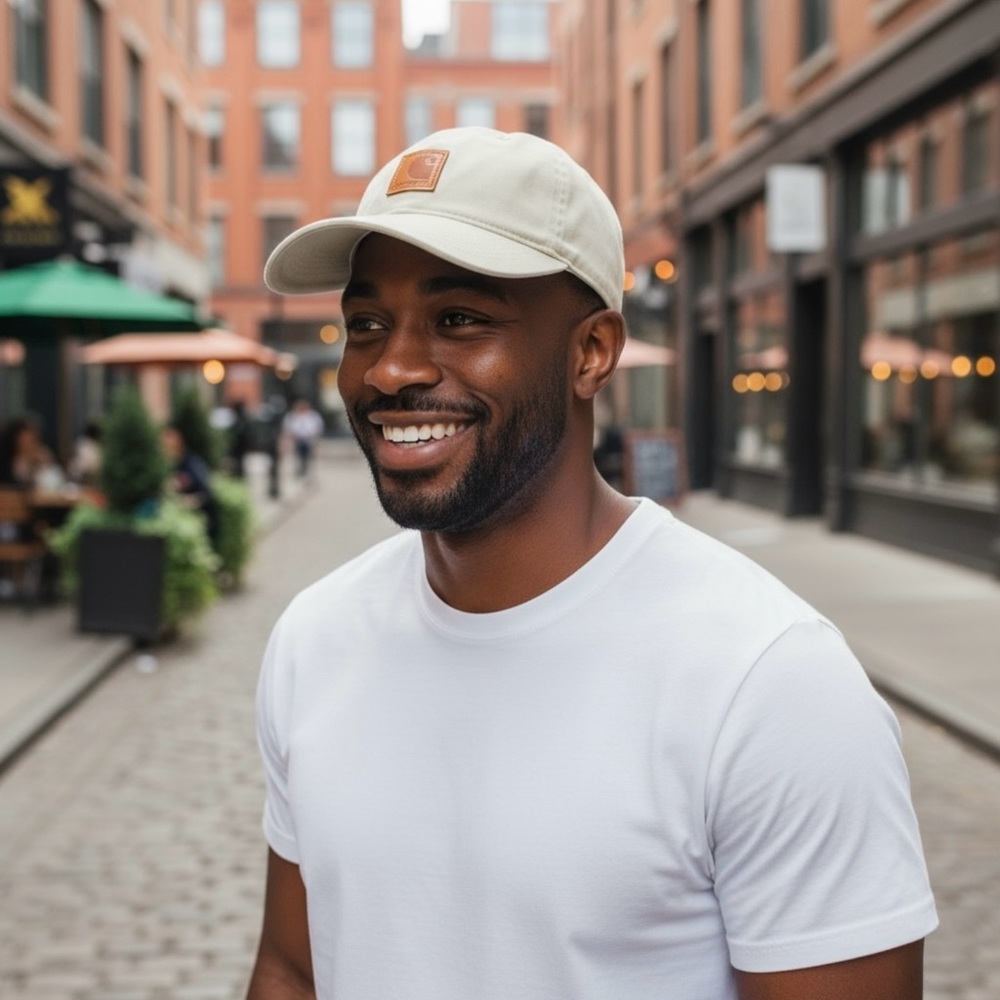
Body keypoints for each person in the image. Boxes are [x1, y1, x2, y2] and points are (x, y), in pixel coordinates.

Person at [248, 128, 937, 1000]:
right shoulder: (315, 638)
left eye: (459, 319)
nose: (392, 368)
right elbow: (291, 968)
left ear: (592, 352)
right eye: (366, 325)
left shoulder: (770, 683)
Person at [282, 397, 324, 478]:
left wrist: (316, 439)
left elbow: (317, 427)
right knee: (298, 455)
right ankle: (300, 469)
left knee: (308, 455)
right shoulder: (292, 415)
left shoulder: (313, 415)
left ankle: (307, 470)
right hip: (297, 439)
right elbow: (287, 428)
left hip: (308, 439)